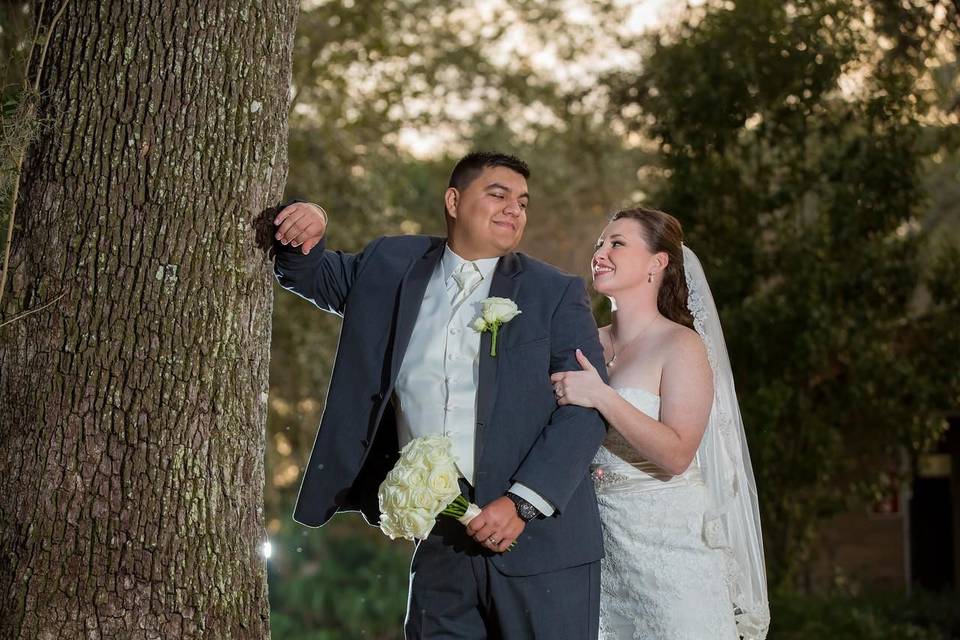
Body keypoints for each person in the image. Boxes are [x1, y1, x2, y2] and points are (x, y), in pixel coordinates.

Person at [271, 152, 608, 639]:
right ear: (454, 200)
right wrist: (312, 214)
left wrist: (521, 504)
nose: (514, 209)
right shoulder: (389, 265)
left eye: (523, 202)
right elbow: (308, 271)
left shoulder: (554, 292)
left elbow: (586, 409)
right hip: (440, 536)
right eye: (498, 194)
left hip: (543, 544)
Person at [551, 207, 770, 640]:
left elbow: (676, 453)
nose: (601, 252)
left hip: (672, 548)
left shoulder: (681, 346)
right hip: (601, 547)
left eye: (617, 243)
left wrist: (601, 396)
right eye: (599, 243)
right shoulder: (585, 343)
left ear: (658, 262)